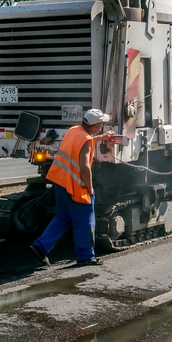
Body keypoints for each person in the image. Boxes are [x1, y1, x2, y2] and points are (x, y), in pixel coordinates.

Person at [30, 109, 116, 266]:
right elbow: (84, 167)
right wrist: (90, 189)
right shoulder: (86, 141)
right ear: (96, 126)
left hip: (60, 181)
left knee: (62, 218)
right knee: (85, 221)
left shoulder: (73, 130)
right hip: (75, 186)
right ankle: (86, 256)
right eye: (101, 124)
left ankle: (40, 246)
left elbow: (82, 141)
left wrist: (101, 137)